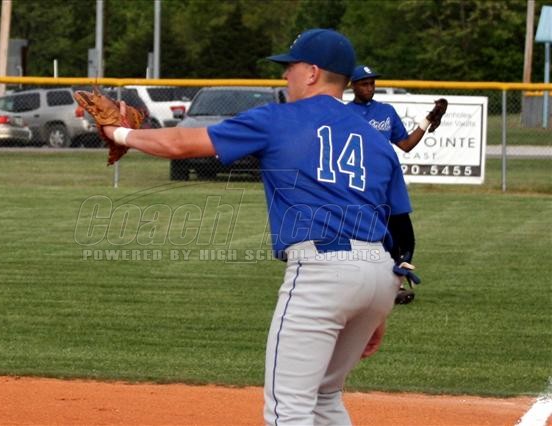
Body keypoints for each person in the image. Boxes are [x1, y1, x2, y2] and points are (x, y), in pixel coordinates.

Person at [101, 29, 415, 426]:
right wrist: (373, 308)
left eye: (290, 67)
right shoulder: (376, 140)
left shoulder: (279, 118)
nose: (284, 76)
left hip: (324, 273)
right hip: (379, 275)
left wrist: (119, 133)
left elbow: (181, 143)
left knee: (289, 409)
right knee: (325, 398)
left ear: (312, 72)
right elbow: (397, 229)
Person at [346, 65, 428, 305]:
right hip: (361, 185)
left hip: (390, 182)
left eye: (372, 83)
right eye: (364, 83)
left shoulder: (386, 111)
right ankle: (377, 287)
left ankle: (395, 283)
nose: (369, 87)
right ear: (353, 85)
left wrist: (426, 121)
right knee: (368, 239)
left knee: (404, 236)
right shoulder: (344, 114)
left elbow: (406, 144)